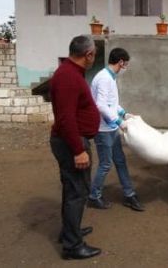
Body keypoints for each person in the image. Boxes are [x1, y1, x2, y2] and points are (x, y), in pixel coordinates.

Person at [49, 35, 101, 260]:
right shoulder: (68, 76)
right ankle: (72, 246)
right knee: (77, 191)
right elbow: (65, 118)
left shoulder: (70, 72)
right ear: (88, 55)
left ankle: (70, 231)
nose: (93, 59)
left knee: (73, 189)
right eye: (94, 55)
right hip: (72, 142)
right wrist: (78, 150)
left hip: (73, 139)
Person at [88, 48, 144, 212]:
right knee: (105, 164)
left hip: (111, 128)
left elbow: (112, 103)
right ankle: (94, 196)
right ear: (120, 61)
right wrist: (119, 121)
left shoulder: (110, 77)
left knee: (120, 161)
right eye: (125, 63)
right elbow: (101, 106)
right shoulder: (104, 78)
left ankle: (129, 194)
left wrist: (124, 114)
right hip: (103, 129)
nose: (125, 67)